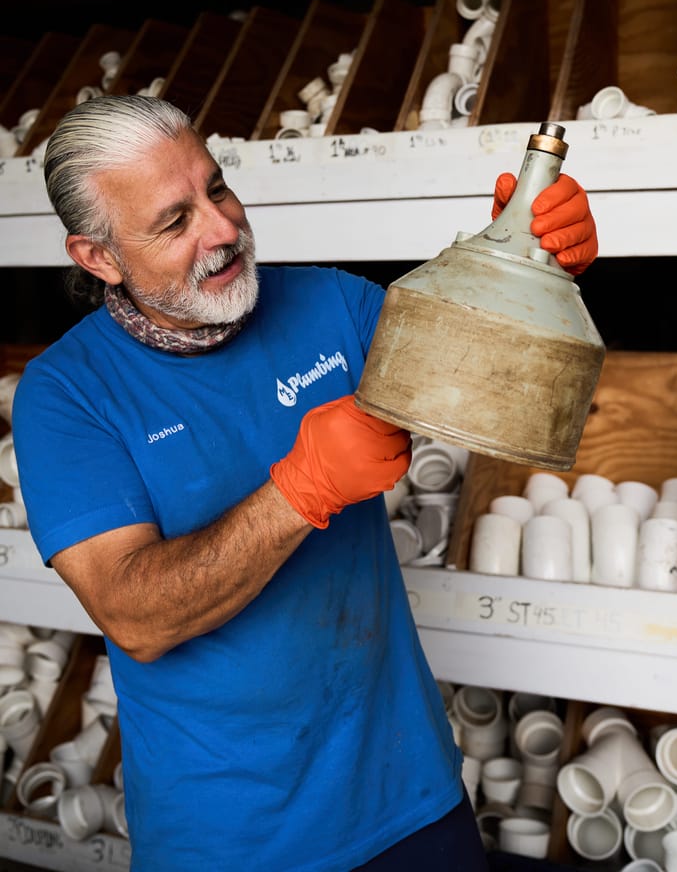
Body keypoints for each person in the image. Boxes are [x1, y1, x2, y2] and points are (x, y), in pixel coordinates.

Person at [12, 95, 598, 872]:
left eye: (216, 190)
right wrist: (302, 489)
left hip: (411, 795)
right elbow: (135, 615)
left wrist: (529, 271)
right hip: (235, 837)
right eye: (174, 221)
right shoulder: (67, 395)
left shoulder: (332, 306)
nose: (222, 230)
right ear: (98, 258)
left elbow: (500, 387)